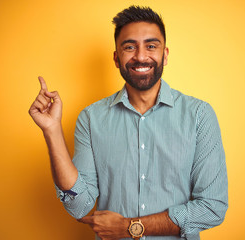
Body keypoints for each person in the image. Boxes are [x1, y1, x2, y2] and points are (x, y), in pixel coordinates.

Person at [29, 5, 228, 240]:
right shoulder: (91, 119)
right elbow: (79, 205)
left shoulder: (199, 116)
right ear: (116, 57)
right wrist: (52, 130)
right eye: (129, 47)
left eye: (151, 46)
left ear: (164, 55)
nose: (141, 56)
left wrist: (130, 227)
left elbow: (212, 208)